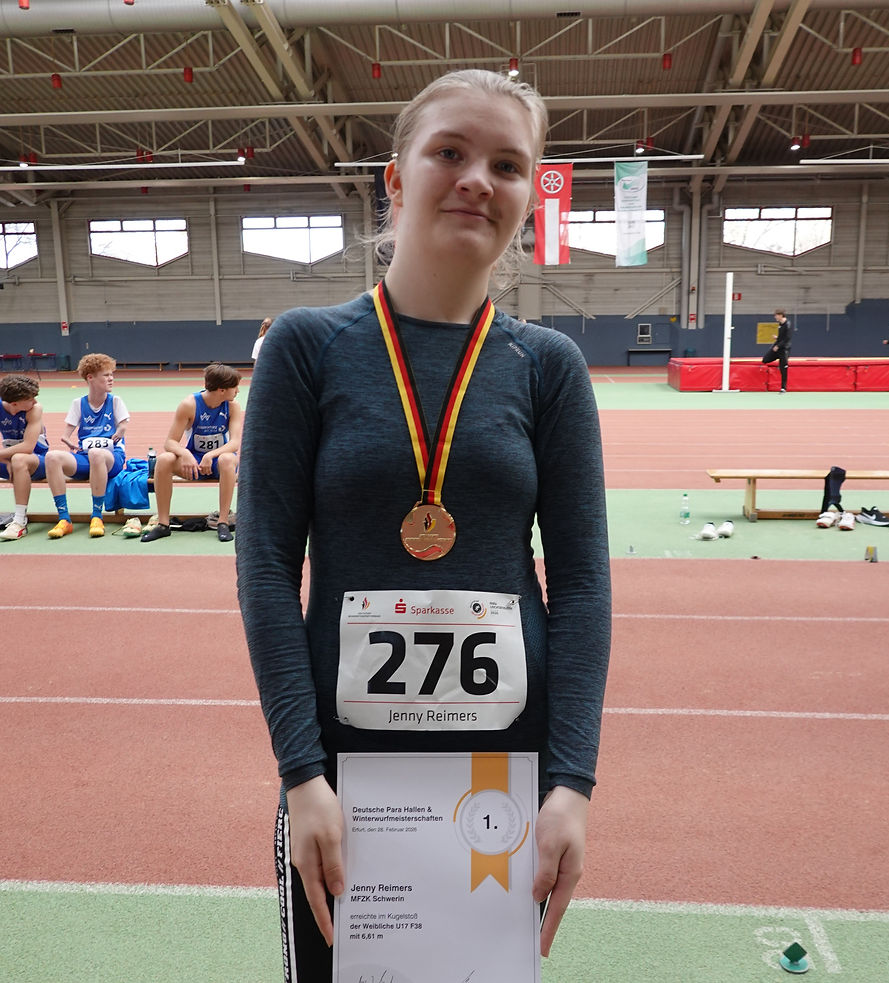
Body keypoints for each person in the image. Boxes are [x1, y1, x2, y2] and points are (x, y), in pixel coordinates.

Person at [236, 68, 611, 981]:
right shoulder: (306, 346)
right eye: (450, 151)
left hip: (499, 781)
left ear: (528, 195)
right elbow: (266, 562)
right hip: (340, 780)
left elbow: (585, 581)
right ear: (397, 177)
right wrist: (300, 772)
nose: (479, 177)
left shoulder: (547, 365)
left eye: (508, 164)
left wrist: (570, 784)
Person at [141, 362, 242, 543]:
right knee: (164, 459)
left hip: (217, 461)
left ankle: (223, 522)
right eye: (235, 387)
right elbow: (169, 442)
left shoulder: (233, 407)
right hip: (193, 462)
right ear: (221, 390)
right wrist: (186, 454)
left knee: (227, 459)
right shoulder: (189, 405)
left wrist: (210, 455)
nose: (238, 391)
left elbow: (234, 443)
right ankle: (163, 524)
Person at [43, 353, 129, 539]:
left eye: (112, 374)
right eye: (106, 375)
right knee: (52, 457)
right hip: (86, 457)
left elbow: (123, 423)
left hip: (111, 458)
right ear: (90, 377)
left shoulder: (115, 401)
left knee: (97, 453)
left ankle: (97, 516)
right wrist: (67, 440)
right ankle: (64, 518)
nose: (111, 378)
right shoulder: (78, 404)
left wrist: (121, 431)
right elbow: (66, 433)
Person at [0, 374, 49, 541]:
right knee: (15, 459)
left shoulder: (35, 409)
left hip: (38, 461)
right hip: (9, 461)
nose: (35, 402)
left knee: (19, 458)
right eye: (31, 398)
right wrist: (4, 459)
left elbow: (28, 447)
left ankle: (19, 521)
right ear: (15, 403)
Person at [762, 308, 792, 392]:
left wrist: (778, 345)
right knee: (765, 359)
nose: (775, 317)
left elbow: (787, 338)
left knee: (783, 368)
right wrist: (777, 338)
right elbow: (782, 337)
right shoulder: (780, 324)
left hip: (784, 349)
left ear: (780, 315)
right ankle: (780, 361)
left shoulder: (788, 324)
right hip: (777, 347)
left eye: (776, 316)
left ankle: (783, 387)